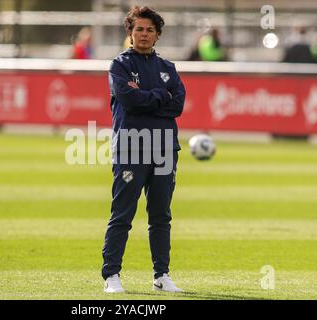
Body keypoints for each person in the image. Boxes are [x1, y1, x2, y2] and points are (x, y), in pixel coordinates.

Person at [102, 6, 186, 293]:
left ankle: (161, 275)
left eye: (150, 29)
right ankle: (111, 276)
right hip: (130, 148)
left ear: (158, 34)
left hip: (164, 149)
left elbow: (178, 105)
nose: (144, 34)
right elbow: (129, 100)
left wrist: (148, 97)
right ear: (130, 32)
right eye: (139, 29)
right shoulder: (120, 65)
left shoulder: (168, 68)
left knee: (161, 215)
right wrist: (160, 97)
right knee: (122, 214)